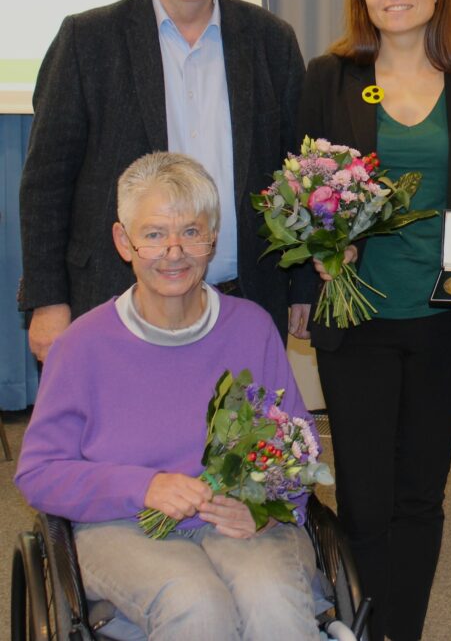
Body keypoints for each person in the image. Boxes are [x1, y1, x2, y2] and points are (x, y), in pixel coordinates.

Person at [293, 0, 451, 641]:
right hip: (359, 317)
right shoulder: (331, 78)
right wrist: (322, 246)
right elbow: (298, 187)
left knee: (421, 493)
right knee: (362, 495)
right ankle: (365, 624)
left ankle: (403, 631)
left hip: (447, 316)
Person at [15, 152, 322, 640]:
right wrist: (143, 486)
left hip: (237, 518)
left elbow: (298, 451)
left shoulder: (251, 328)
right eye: (155, 234)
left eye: (191, 232)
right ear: (124, 241)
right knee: (196, 605)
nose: (174, 252)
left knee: (274, 604)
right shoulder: (82, 345)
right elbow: (39, 472)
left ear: (212, 239)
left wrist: (264, 508)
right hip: (122, 524)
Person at [19, 0, 305, 360]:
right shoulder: (87, 41)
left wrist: (301, 287)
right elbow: (46, 184)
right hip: (115, 301)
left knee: (240, 434)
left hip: (244, 300)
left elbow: (295, 172)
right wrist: (48, 301)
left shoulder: (271, 40)